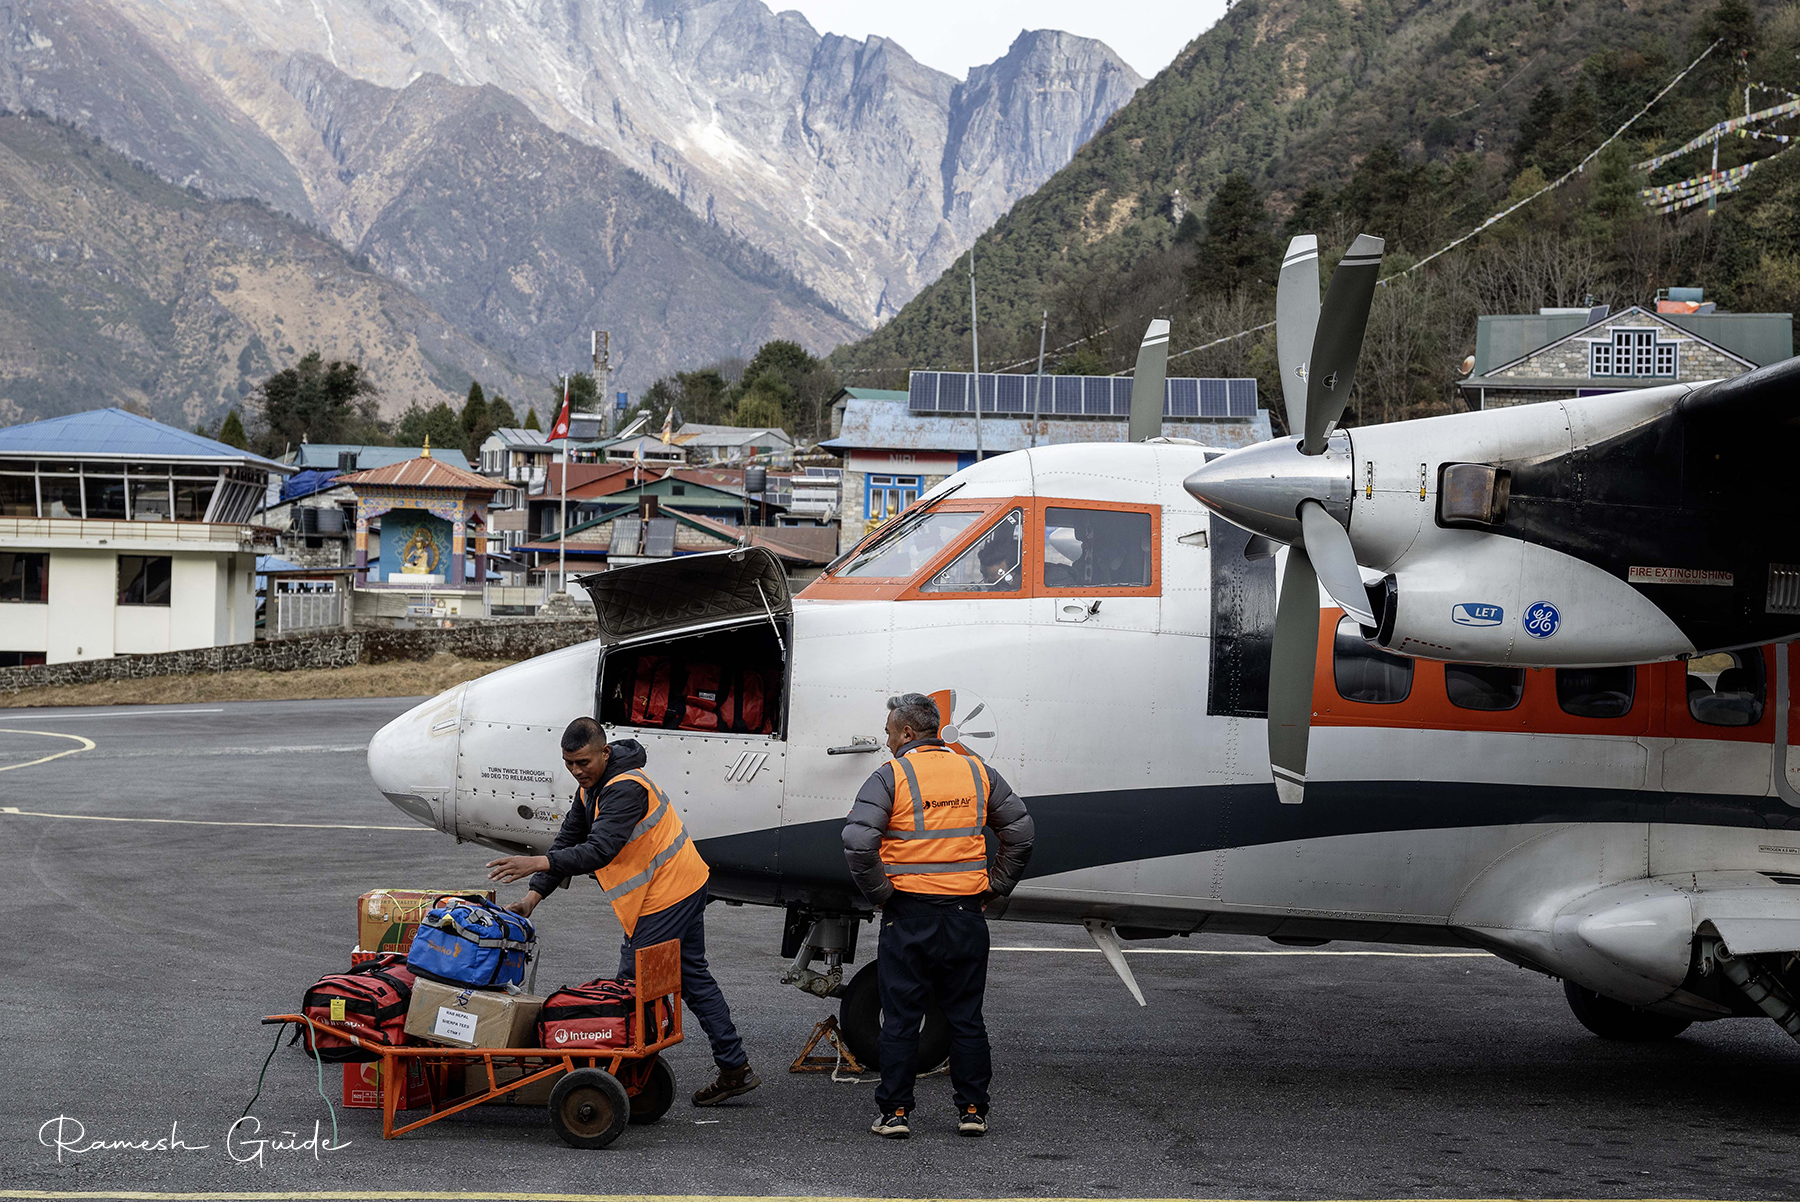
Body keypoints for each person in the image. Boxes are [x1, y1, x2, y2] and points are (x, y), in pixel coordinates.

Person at [486, 717, 758, 1106]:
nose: (577, 771)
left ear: (605, 752)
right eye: (569, 764)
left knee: (631, 988)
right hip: (675, 885)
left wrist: (538, 864)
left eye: (583, 763)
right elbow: (568, 840)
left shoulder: (625, 788)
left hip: (667, 893)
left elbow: (600, 849)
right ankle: (734, 1067)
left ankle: (620, 1082)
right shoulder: (591, 790)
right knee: (692, 977)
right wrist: (532, 899)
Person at [842, 693, 1034, 1139]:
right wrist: (996, 885)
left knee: (903, 1017)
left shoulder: (892, 775)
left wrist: (880, 893)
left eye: (890, 731)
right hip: (967, 915)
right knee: (966, 1017)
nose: (888, 740)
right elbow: (1021, 831)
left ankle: (895, 1114)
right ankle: (972, 1110)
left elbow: (857, 840)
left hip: (909, 914)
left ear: (907, 732)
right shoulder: (976, 770)